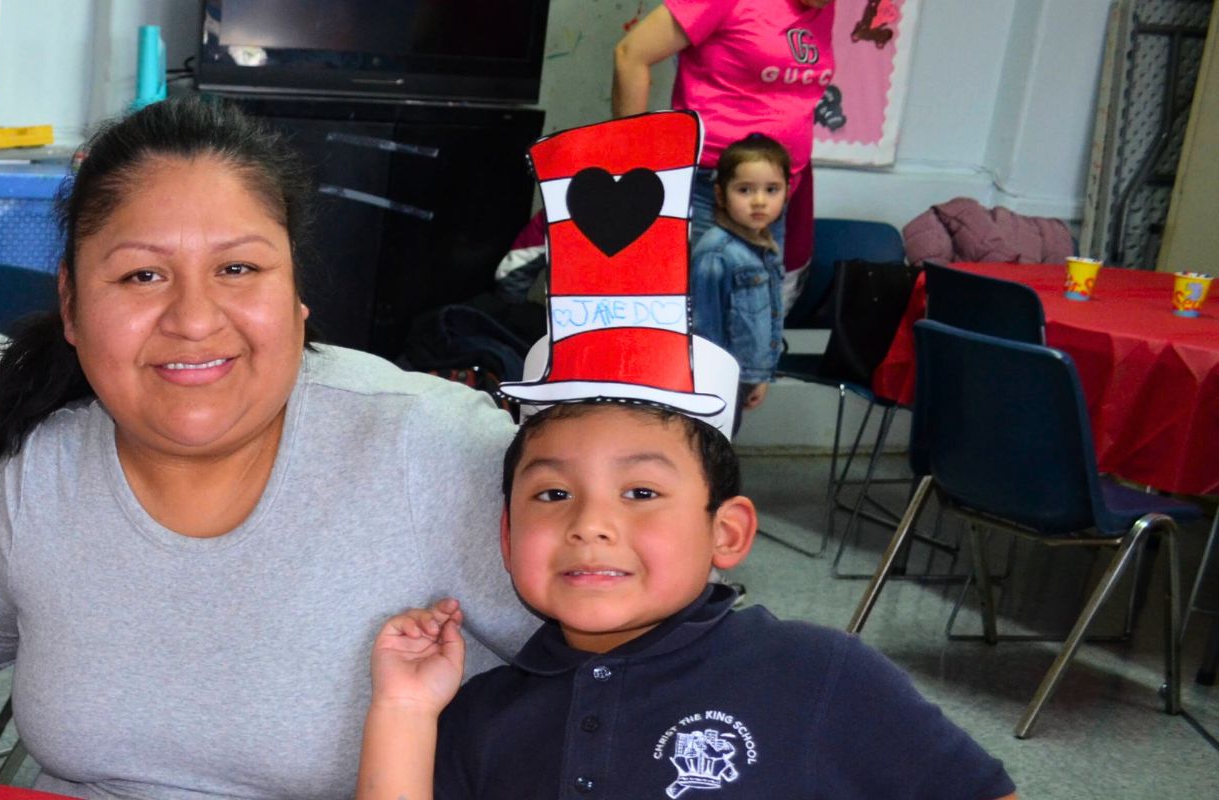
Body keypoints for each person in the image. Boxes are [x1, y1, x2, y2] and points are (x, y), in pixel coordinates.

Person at [0, 98, 525, 798]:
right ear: (71, 306)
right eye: (142, 276)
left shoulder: (431, 450)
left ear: (297, 292)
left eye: (239, 270)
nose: (193, 319)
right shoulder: (45, 468)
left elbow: (639, 680)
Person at [356, 401, 1017, 799]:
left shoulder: (817, 672)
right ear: (506, 538)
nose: (591, 523)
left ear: (725, 533)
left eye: (641, 493)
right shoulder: (484, 713)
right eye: (552, 495)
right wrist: (405, 709)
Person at [615, 0, 835, 299]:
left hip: (775, 193)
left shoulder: (824, 8)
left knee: (756, 319)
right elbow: (630, 55)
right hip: (712, 188)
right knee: (704, 322)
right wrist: (631, 165)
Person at [690, 134, 791, 416]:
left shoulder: (765, 248)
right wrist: (715, 384)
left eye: (772, 190)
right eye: (744, 190)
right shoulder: (715, 252)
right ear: (721, 195)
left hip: (743, 377)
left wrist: (760, 375)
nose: (759, 201)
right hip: (716, 381)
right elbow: (704, 329)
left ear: (787, 193)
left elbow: (766, 321)